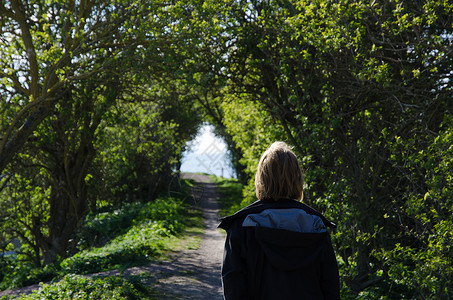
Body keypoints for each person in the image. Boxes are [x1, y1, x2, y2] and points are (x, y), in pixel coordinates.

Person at [218, 141, 340, 300]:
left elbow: (233, 288)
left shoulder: (241, 227)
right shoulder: (316, 226)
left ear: (261, 178)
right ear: (297, 179)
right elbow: (331, 289)